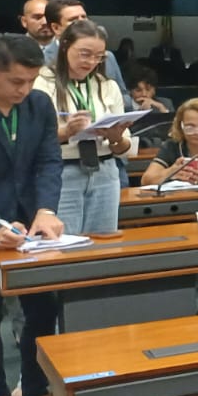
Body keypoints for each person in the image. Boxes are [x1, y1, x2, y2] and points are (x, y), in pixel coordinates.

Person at [0, 33, 65, 396]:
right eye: (16, 81)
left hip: (29, 229)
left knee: (43, 307)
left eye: (32, 80)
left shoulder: (38, 104)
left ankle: (34, 394)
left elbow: (49, 161)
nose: (25, 89)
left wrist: (45, 210)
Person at [33, 20, 128, 235]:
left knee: (104, 243)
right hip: (63, 171)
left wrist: (116, 137)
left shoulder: (107, 85)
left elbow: (124, 147)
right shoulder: (42, 82)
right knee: (62, 241)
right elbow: (33, 139)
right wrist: (66, 132)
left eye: (99, 56)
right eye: (85, 54)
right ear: (65, 46)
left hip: (105, 170)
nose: (91, 62)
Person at [140, 98, 198, 187]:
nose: (196, 132)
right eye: (190, 127)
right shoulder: (172, 145)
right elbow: (146, 180)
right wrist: (172, 171)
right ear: (180, 125)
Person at [40, 0, 124, 83]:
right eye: (73, 20)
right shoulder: (42, 60)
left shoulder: (107, 57)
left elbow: (122, 90)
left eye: (84, 17)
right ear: (56, 28)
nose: (83, 23)